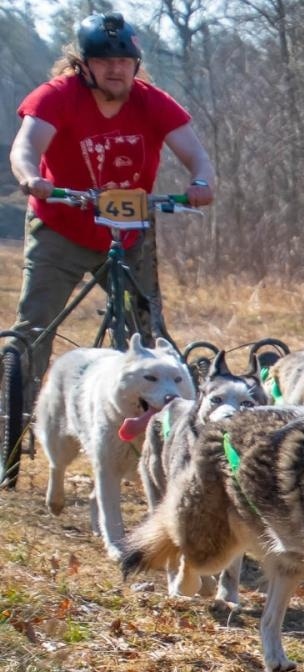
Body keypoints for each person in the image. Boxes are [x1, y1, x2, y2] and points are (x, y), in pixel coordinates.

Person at [7, 11, 216, 392]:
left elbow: (197, 156)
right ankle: (14, 428)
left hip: (130, 230)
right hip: (61, 227)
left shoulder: (152, 101)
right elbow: (26, 146)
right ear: (83, 64)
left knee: (149, 332)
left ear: (135, 65)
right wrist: (30, 176)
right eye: (104, 61)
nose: (115, 70)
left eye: (123, 62)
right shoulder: (57, 96)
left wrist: (201, 181)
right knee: (34, 327)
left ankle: (157, 424)